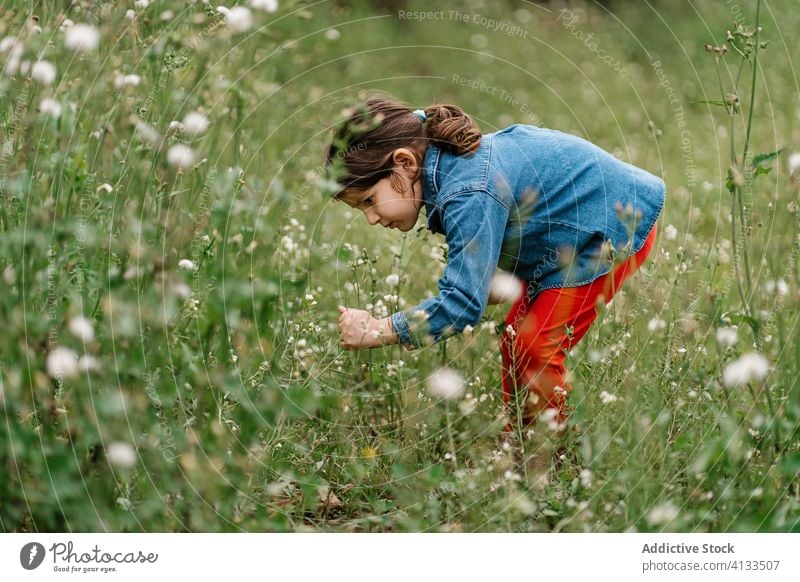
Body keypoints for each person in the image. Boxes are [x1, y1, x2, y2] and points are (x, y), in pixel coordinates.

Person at [327, 94, 664, 434]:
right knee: (518, 340)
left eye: (370, 200)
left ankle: (548, 450)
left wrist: (381, 329)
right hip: (569, 236)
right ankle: (523, 436)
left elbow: (463, 306)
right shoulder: (453, 173)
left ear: (404, 163)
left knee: (536, 346)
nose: (370, 218)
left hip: (612, 226)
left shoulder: (466, 190)